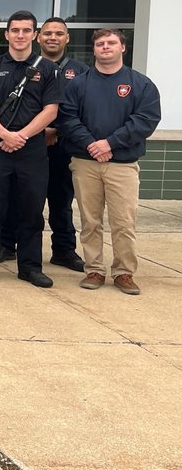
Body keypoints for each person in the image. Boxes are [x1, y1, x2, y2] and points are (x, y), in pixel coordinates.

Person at [58, 29, 161, 295]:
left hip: (122, 164)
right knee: (90, 220)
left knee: (123, 222)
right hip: (85, 162)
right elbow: (68, 118)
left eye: (111, 43)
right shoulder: (78, 84)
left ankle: (124, 272)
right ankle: (94, 269)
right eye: (100, 44)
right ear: (94, 50)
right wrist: (92, 144)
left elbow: (146, 120)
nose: (105, 47)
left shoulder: (141, 84)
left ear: (122, 48)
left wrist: (110, 143)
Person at [0, 11, 63, 287]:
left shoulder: (48, 70)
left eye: (26, 30)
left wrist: (20, 135)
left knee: (32, 210)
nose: (20, 35)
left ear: (34, 35)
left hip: (32, 149)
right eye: (15, 30)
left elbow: (51, 110)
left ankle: (30, 267)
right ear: (6, 34)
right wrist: (4, 135)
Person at [0, 17, 87, 272]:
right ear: (39, 37)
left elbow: (80, 109)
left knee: (61, 200)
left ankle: (63, 250)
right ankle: (7, 244)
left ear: (67, 38)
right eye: (48, 33)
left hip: (62, 146)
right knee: (17, 198)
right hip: (26, 143)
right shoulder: (25, 67)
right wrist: (32, 133)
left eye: (59, 33)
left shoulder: (80, 72)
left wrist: (56, 129)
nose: (52, 37)